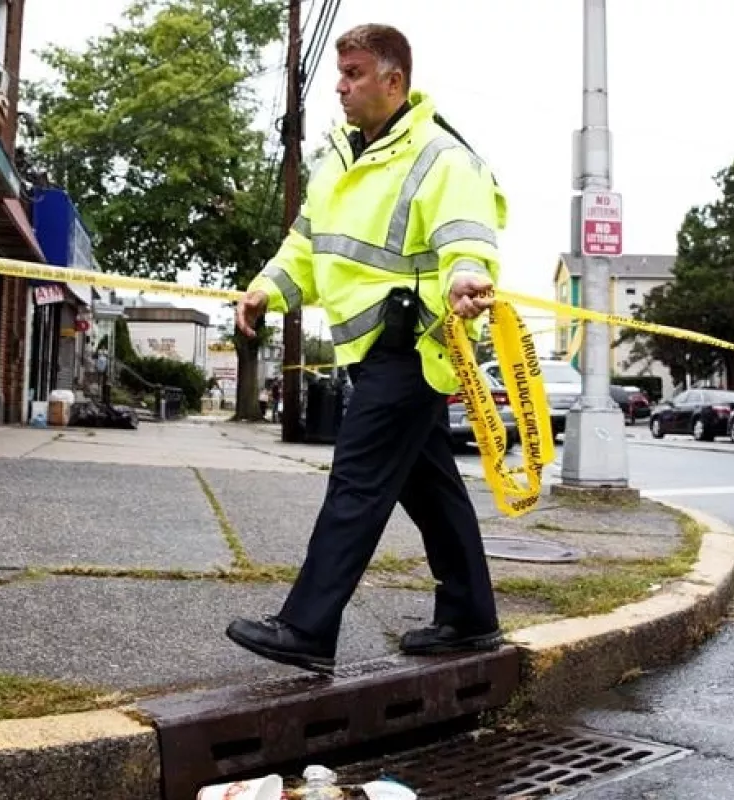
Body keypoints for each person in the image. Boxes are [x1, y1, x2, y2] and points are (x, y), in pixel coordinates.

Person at [227, 23, 508, 675]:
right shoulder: (338, 162)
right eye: (341, 73)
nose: (340, 86)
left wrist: (467, 277)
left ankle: (307, 627)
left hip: (414, 346)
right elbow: (305, 245)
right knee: (429, 485)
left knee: (357, 481)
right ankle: (471, 617)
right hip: (371, 350)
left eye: (353, 74)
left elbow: (467, 239)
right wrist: (267, 289)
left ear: (393, 81)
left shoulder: (442, 158)